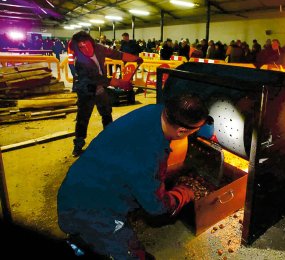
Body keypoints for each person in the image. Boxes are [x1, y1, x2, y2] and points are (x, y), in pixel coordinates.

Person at [57, 93, 210, 259]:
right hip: (89, 209)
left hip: (76, 184)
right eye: (196, 130)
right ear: (181, 131)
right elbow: (157, 207)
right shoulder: (149, 156)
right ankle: (83, 242)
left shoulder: (155, 111)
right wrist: (183, 192)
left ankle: (85, 240)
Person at [69, 31, 143, 157]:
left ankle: (110, 139)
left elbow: (116, 54)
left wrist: (134, 58)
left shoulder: (99, 48)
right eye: (81, 47)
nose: (85, 48)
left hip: (100, 89)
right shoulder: (80, 62)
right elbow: (97, 78)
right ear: (77, 48)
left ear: (91, 41)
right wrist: (119, 83)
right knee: (83, 118)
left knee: (106, 113)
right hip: (86, 91)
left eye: (86, 44)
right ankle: (78, 145)